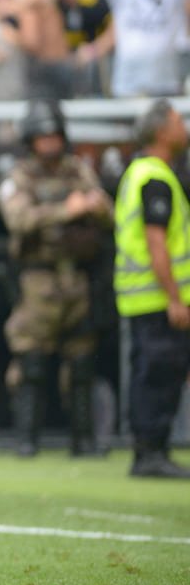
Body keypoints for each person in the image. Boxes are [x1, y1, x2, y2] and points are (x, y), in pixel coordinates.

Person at [0, 98, 113, 457]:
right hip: (38, 283)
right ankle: (27, 440)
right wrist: (67, 210)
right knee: (31, 361)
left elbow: (106, 212)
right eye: (42, 136)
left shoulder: (79, 170)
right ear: (31, 139)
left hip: (77, 279)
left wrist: (93, 206)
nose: (50, 142)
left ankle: (84, 441)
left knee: (81, 362)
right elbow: (19, 219)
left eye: (54, 135)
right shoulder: (20, 177)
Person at [113, 99, 190, 478]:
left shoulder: (140, 172)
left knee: (153, 372)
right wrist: (175, 297)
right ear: (162, 131)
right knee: (158, 374)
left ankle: (151, 451)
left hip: (143, 297)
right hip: (156, 298)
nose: (184, 126)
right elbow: (156, 242)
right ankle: (150, 454)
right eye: (179, 120)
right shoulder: (154, 177)